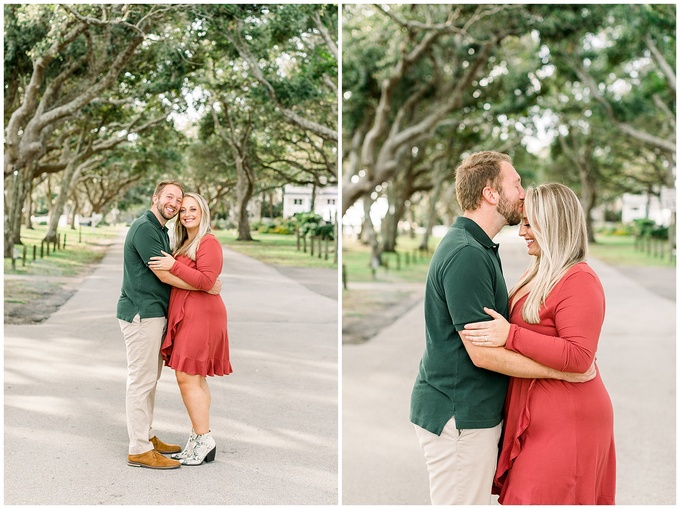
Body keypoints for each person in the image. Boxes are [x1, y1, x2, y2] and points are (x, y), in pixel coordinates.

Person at [409, 151, 595, 505]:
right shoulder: (466, 253)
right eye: (516, 184)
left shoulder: (479, 247)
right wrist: (563, 374)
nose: (523, 193)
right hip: (459, 415)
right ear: (491, 194)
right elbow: (481, 353)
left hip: (469, 413)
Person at [459, 183, 616, 504]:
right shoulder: (539, 272)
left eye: (530, 224)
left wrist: (510, 335)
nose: (522, 233)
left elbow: (579, 356)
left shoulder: (579, 280)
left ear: (553, 224)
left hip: (568, 420)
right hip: (538, 418)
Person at [117, 181, 221, 470]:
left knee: (149, 379)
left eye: (182, 201)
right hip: (142, 313)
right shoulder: (145, 228)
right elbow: (163, 274)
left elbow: (194, 272)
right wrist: (205, 287)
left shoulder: (162, 230)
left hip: (155, 314)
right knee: (142, 380)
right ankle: (139, 448)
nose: (176, 205)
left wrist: (203, 284)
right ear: (156, 198)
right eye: (171, 198)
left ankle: (146, 437)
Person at [148, 192, 232, 466]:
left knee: (187, 377)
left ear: (203, 212)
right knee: (195, 378)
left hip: (202, 316)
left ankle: (203, 438)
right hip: (189, 314)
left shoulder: (209, 242)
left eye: (192, 209)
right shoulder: (185, 242)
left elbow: (207, 280)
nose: (186, 214)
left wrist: (173, 265)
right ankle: (200, 438)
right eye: (183, 210)